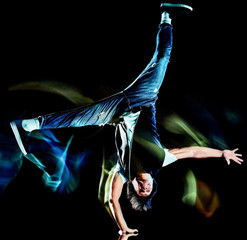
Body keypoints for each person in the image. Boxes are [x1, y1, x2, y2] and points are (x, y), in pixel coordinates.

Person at [10, 3, 243, 235]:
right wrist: (221, 153)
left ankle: (29, 124)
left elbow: (112, 200)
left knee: (78, 118)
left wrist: (123, 229)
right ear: (153, 185)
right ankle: (166, 16)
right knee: (162, 59)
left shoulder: (123, 173)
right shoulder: (162, 160)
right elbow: (192, 152)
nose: (145, 185)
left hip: (116, 113)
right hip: (142, 98)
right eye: (148, 188)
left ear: (133, 186)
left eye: (140, 189)